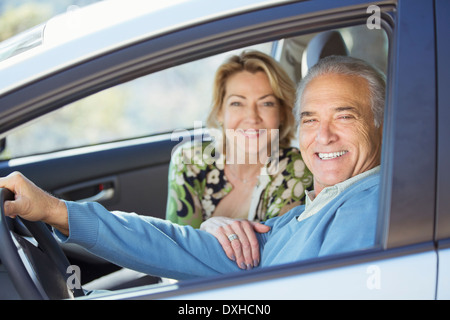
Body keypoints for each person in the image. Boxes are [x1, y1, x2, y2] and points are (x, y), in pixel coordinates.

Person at [0, 55, 385, 282]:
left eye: (345, 116)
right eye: (311, 120)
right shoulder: (303, 215)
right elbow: (180, 245)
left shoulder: (370, 208)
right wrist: (57, 211)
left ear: (383, 122)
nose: (324, 136)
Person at [166, 50, 313, 228]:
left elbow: (271, 249)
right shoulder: (189, 160)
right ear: (220, 112)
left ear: (282, 112)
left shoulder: (297, 167)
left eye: (266, 103)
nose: (252, 117)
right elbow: (178, 244)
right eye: (237, 103)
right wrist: (209, 227)